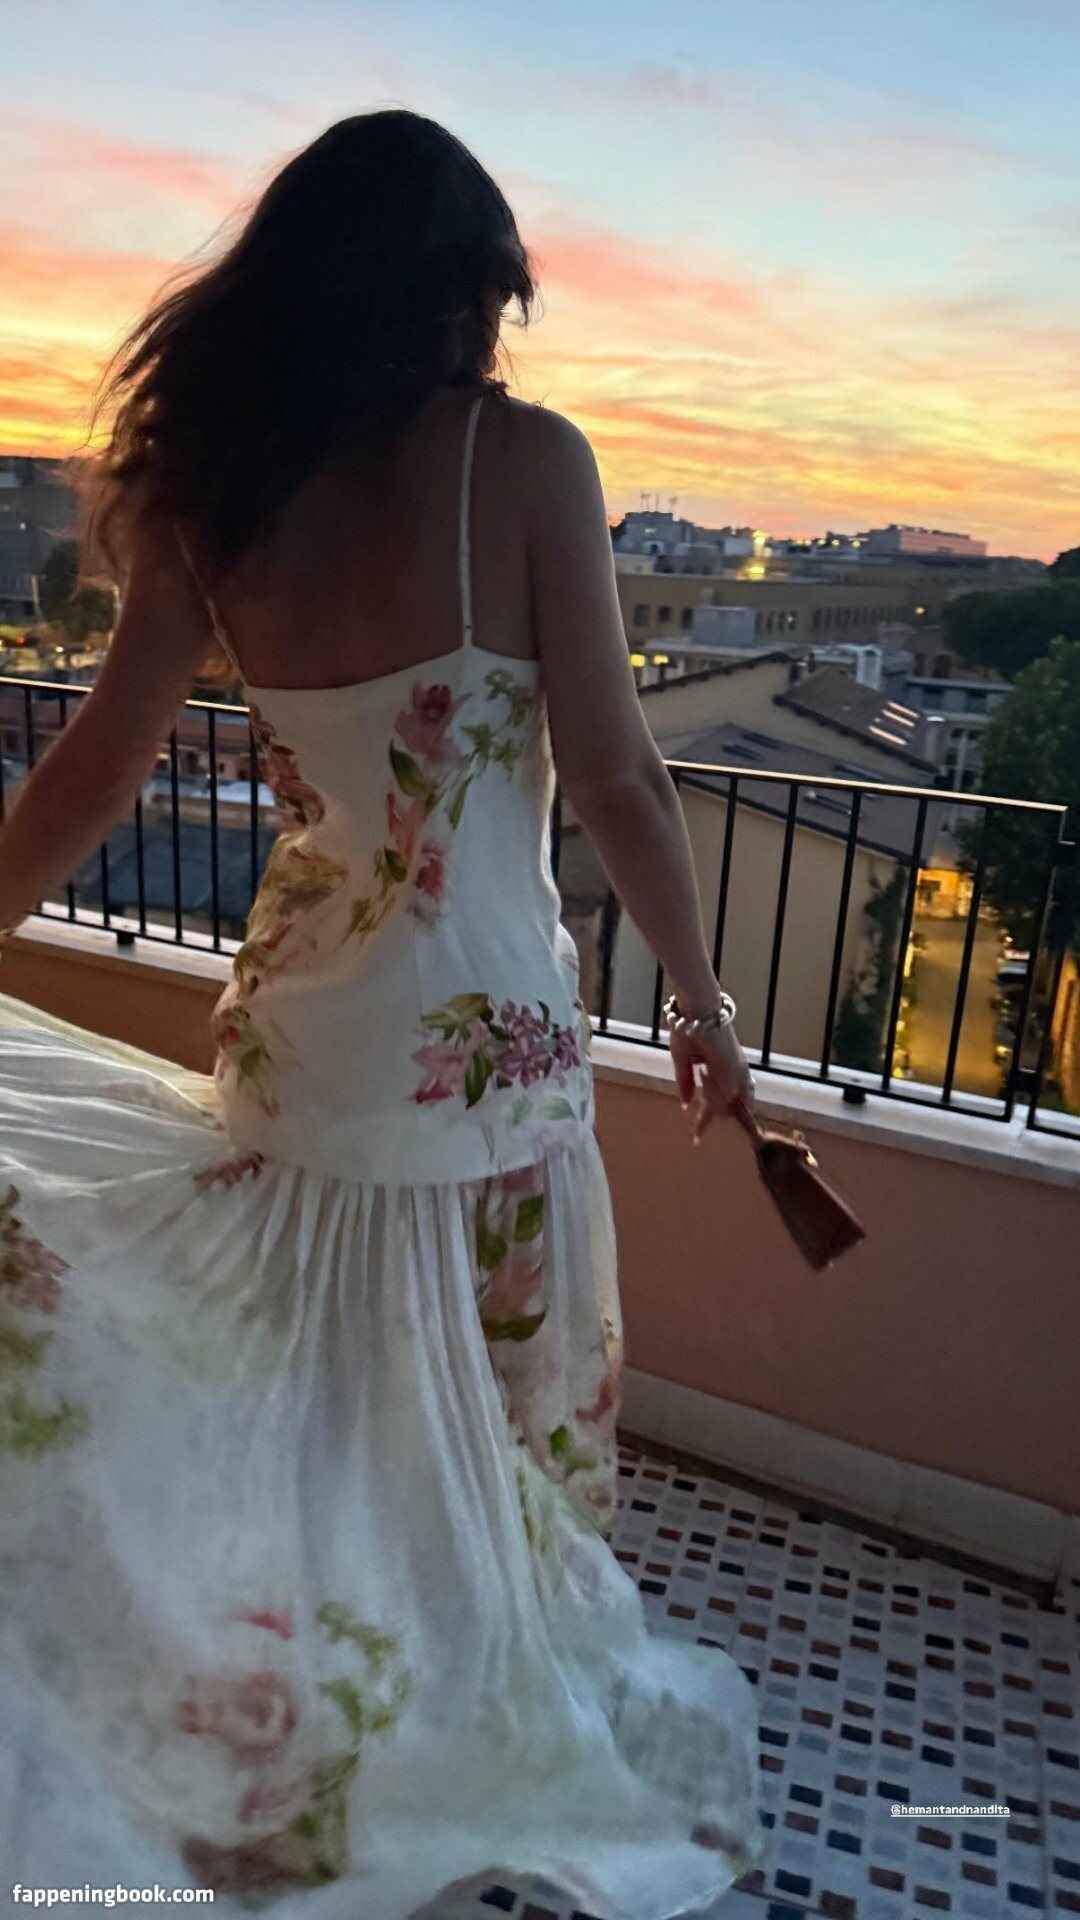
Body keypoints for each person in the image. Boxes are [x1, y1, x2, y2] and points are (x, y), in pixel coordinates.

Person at [0, 111, 761, 1916]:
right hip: (486, 1046)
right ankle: (424, 1710)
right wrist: (707, 1006)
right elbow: (621, 778)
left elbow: (96, 767)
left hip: (304, 1034)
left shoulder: (218, 486)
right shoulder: (527, 459)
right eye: (488, 297)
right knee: (477, 1429)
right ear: (450, 292)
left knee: (317, 1406)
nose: (493, 336)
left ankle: (301, 1710)